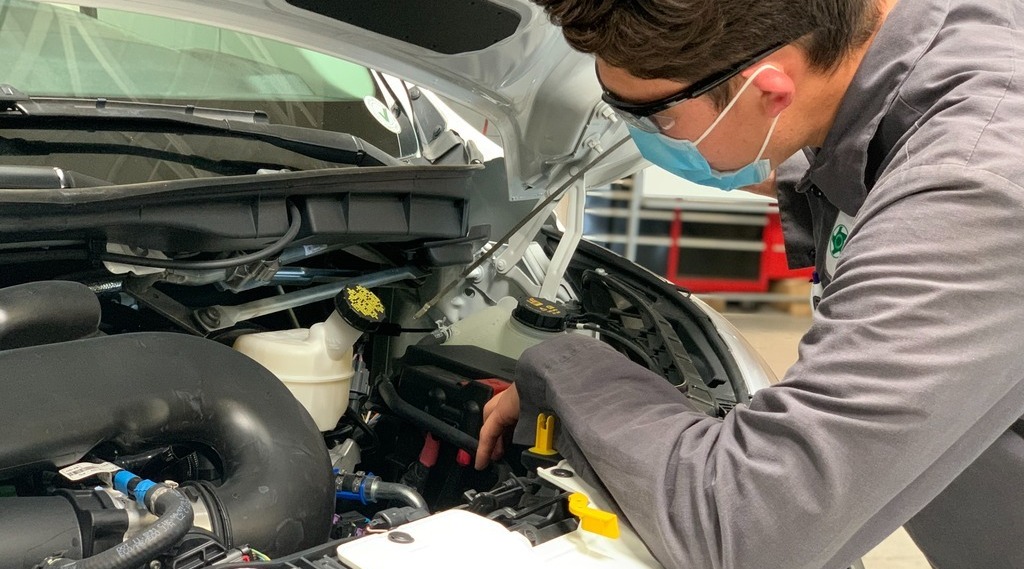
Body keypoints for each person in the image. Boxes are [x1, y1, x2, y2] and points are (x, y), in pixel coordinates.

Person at [475, 0, 1024, 567]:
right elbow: (836, 168)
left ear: (769, 90)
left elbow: (744, 525)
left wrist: (564, 368)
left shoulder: (976, 185)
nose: (639, 135)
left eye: (653, 120)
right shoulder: (918, 50)